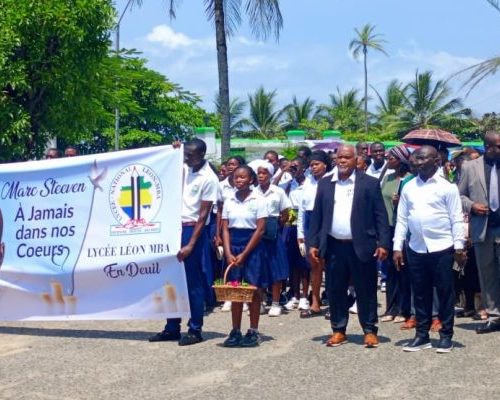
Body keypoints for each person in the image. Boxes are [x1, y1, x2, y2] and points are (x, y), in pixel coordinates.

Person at [309, 144, 391, 348]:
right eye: (340, 157)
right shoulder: (326, 183)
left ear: (356, 160)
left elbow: (380, 215)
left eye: (347, 157)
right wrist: (313, 243)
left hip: (362, 245)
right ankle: (338, 330)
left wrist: (383, 243)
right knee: (335, 289)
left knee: (366, 289)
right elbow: (317, 216)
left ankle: (369, 330)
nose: (343, 161)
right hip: (334, 246)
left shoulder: (369, 183)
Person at [394, 146, 466, 353]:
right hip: (416, 248)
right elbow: (402, 219)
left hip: (443, 247)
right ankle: (422, 335)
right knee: (420, 293)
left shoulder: (447, 187)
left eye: (422, 158)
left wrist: (459, 247)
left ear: (436, 161)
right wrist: (397, 246)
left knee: (445, 293)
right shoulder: (409, 187)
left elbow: (456, 218)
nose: (416, 161)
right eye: (415, 158)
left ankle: (446, 336)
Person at [149, 138, 219, 345]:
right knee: (171, 280)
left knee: (192, 281)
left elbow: (203, 216)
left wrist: (190, 245)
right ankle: (172, 327)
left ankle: (195, 329)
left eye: (190, 155)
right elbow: (166, 165)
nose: (186, 158)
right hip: (173, 228)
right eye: (185, 154)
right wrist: (173, 150)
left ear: (201, 155)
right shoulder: (184, 168)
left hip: (191, 230)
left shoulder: (209, 178)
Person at [221, 165, 269, 347]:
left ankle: (253, 330)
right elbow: (225, 228)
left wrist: (244, 253)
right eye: (236, 177)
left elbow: (260, 229)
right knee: (235, 291)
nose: (239, 180)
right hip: (233, 245)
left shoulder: (259, 199)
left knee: (253, 290)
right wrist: (228, 252)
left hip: (252, 246)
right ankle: (235, 330)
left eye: (243, 177)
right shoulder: (229, 200)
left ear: (251, 179)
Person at [459, 131, 500, 334]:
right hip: (482, 229)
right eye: (499, 146)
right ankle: (494, 316)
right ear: (488, 147)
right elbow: (459, 196)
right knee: (487, 273)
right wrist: (472, 206)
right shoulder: (470, 167)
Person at [251, 160, 291, 317]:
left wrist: (277, 226)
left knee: (276, 268)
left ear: (270, 175)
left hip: (273, 233)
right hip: (257, 234)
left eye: (264, 173)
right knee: (259, 269)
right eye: (259, 173)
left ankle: (275, 303)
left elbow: (285, 212)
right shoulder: (253, 192)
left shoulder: (278, 191)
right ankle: (259, 302)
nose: (261, 176)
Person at [379, 145, 413, 324]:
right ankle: (390, 308)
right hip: (388, 227)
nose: (388, 161)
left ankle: (404, 309)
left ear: (401, 160)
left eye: (391, 158)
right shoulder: (387, 178)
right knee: (390, 270)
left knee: (403, 270)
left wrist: (401, 202)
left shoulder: (410, 179)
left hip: (404, 229)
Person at [297, 150, 333, 318]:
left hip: (328, 222)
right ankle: (315, 303)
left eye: (316, 164)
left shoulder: (333, 180)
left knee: (330, 266)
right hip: (310, 224)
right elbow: (302, 209)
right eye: (311, 165)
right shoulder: (308, 183)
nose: (313, 168)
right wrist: (300, 233)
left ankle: (333, 303)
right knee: (315, 265)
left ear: (325, 165)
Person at [281, 157, 310, 311]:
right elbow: (275, 188)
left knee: (304, 261)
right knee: (292, 262)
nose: (292, 169)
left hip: (304, 220)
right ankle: (295, 295)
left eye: (295, 166)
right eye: (291, 166)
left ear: (304, 167)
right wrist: (284, 171)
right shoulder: (289, 183)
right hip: (291, 221)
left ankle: (305, 296)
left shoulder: (310, 183)